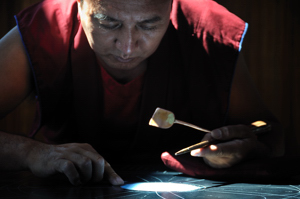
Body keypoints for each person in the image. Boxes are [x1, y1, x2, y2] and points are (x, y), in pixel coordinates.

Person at [0, 0, 284, 186]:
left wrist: (246, 145)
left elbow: (267, 131)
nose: (126, 48)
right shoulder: (46, 26)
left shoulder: (206, 30)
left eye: (149, 25)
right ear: (79, 4)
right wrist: (30, 153)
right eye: (107, 23)